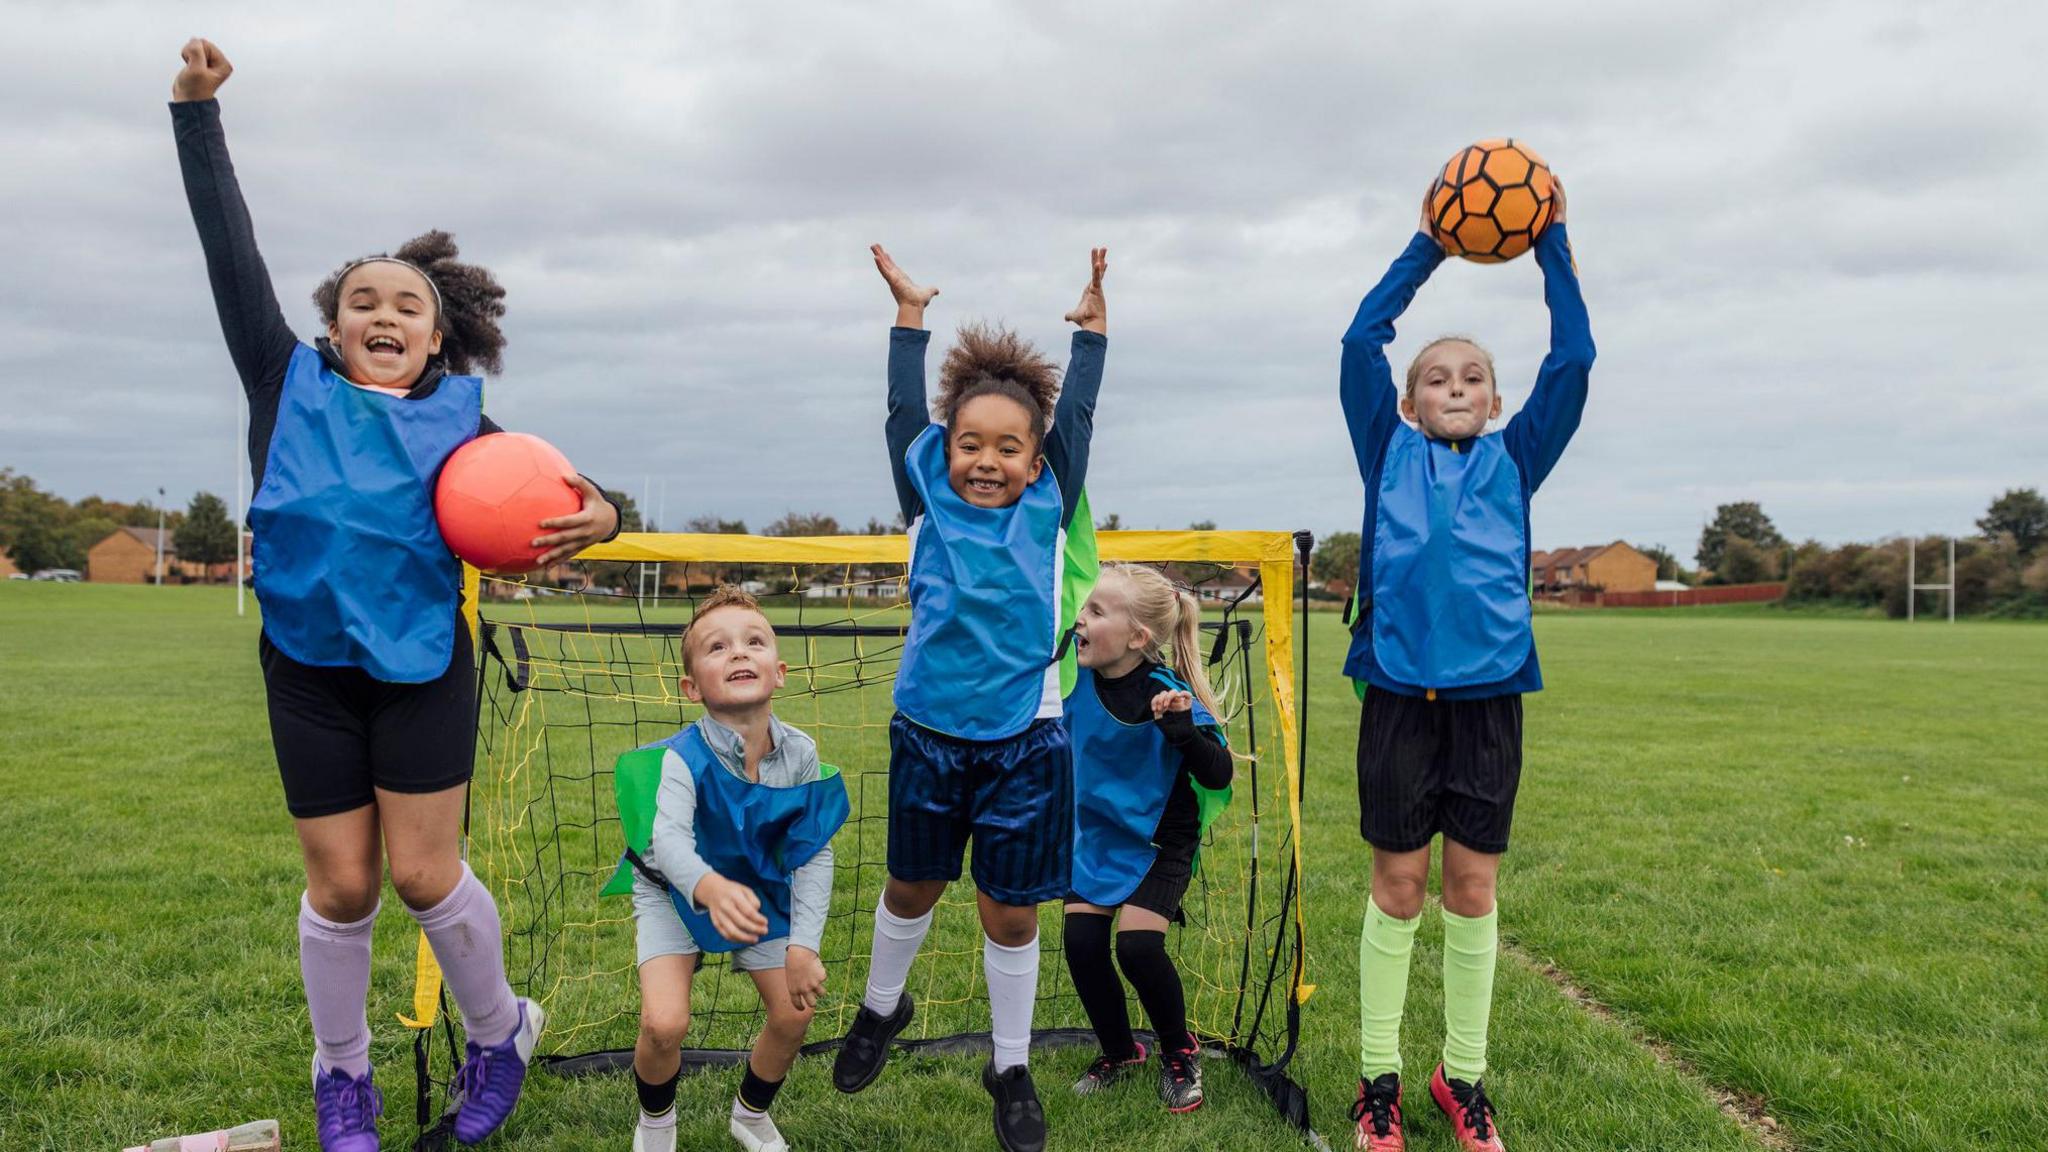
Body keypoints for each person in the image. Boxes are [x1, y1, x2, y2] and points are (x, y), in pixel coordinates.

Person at [170, 38, 621, 1151]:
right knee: (341, 891)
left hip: (421, 663)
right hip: (309, 667)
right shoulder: (285, 380)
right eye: (362, 299)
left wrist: (604, 512)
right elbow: (230, 250)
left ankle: (498, 1031)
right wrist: (195, 115)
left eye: (406, 305)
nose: (383, 312)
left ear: (436, 335)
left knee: (423, 875)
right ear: (333, 326)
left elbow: (566, 491)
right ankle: (343, 1079)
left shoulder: (463, 425)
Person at [831, 244, 1108, 1152]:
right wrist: (910, 318)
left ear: (1036, 461)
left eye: (1008, 447)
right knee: (911, 886)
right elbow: (903, 410)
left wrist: (1093, 338)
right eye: (969, 444)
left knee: (1010, 909)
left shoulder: (1051, 503)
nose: (986, 460)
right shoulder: (927, 504)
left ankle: (1013, 1063)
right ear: (944, 453)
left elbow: (1081, 421)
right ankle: (881, 1008)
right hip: (928, 730)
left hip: (1025, 738)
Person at [1341, 185, 1592, 1152]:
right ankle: (1378, 1080)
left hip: (1491, 700)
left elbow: (1575, 357)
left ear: (1495, 401)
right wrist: (1428, 246)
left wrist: (1552, 245)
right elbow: (1362, 339)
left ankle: (1465, 1077)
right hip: (1399, 696)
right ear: (1408, 402)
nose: (1454, 385)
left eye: (1473, 376)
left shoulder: (1518, 459)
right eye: (1436, 376)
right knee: (1399, 887)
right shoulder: (1384, 450)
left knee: (1472, 891)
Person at [611, 586, 847, 1152]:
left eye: (754, 641)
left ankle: (750, 1114)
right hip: (674, 890)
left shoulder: (802, 755)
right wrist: (709, 887)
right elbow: (666, 843)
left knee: (794, 1012)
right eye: (718, 647)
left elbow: (812, 850)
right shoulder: (680, 758)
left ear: (780, 670)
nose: (739, 653)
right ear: (692, 687)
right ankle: (656, 1121)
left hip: (758, 889)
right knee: (664, 1025)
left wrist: (803, 946)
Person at [1061, 565, 1234, 1114]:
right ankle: (1119, 1051)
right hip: (1097, 835)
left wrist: (1182, 733)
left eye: (1095, 612)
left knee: (1137, 947)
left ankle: (1180, 1052)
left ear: (1138, 638)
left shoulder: (1167, 691)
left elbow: (1219, 774)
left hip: (1161, 841)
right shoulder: (1067, 677)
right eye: (1082, 608)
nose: (1080, 619)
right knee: (1083, 945)